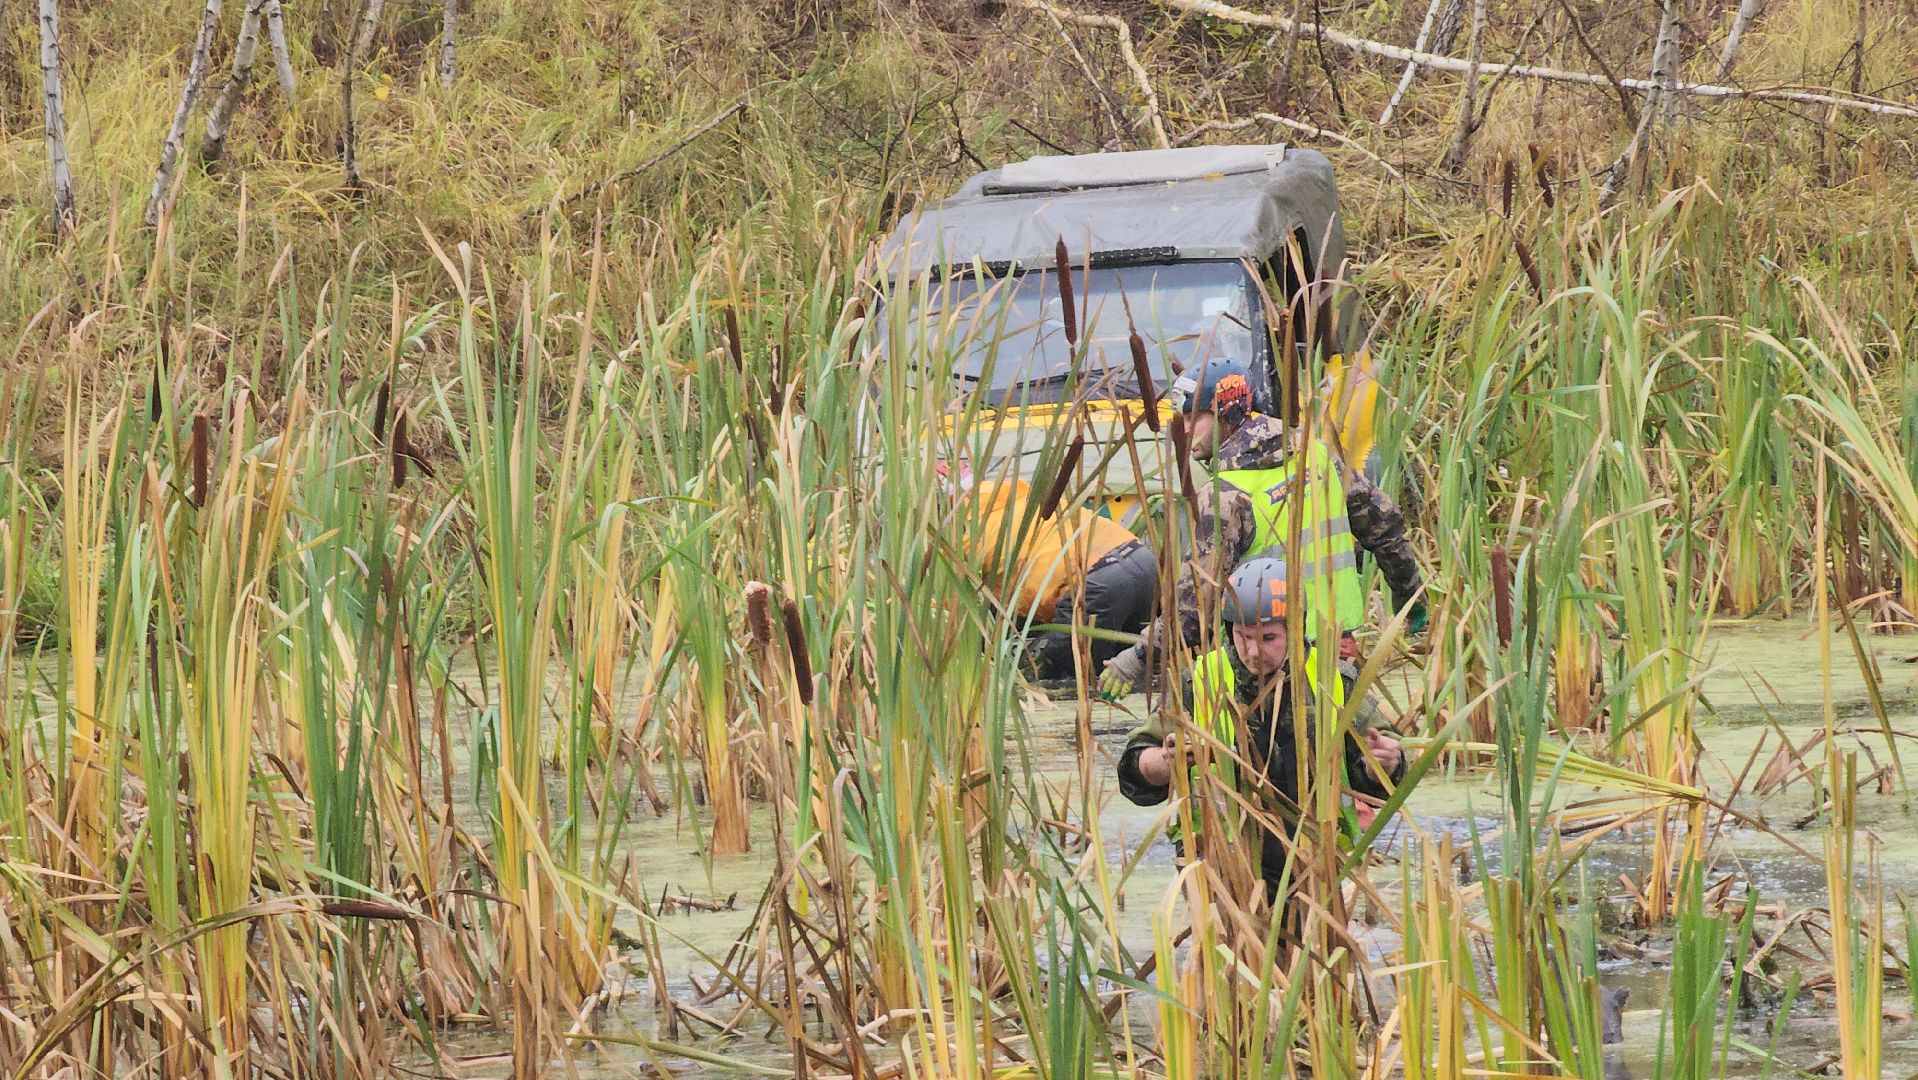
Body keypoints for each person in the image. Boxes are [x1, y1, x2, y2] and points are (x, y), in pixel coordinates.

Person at [1098, 358, 1424, 698]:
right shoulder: (1315, 454)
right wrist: (1410, 596)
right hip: (1337, 653)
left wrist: (1136, 658)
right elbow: (1385, 525)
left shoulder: (1225, 494)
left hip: (1268, 663)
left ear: (1228, 415)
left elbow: (1197, 605)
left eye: (1196, 417)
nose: (1185, 430)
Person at [1115, 557, 1406, 898]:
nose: (1254, 652)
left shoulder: (1335, 678)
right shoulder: (1201, 681)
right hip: (1224, 874)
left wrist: (1386, 765)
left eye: (1268, 638)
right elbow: (1134, 766)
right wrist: (1163, 761)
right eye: (1243, 637)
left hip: (1316, 869)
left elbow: (1388, 769)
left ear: (1295, 629)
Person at [946, 465, 1158, 684]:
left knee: (1067, 673)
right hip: (1142, 560)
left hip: (1096, 584)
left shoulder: (970, 538)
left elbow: (966, 613)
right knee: (1133, 671)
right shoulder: (1025, 501)